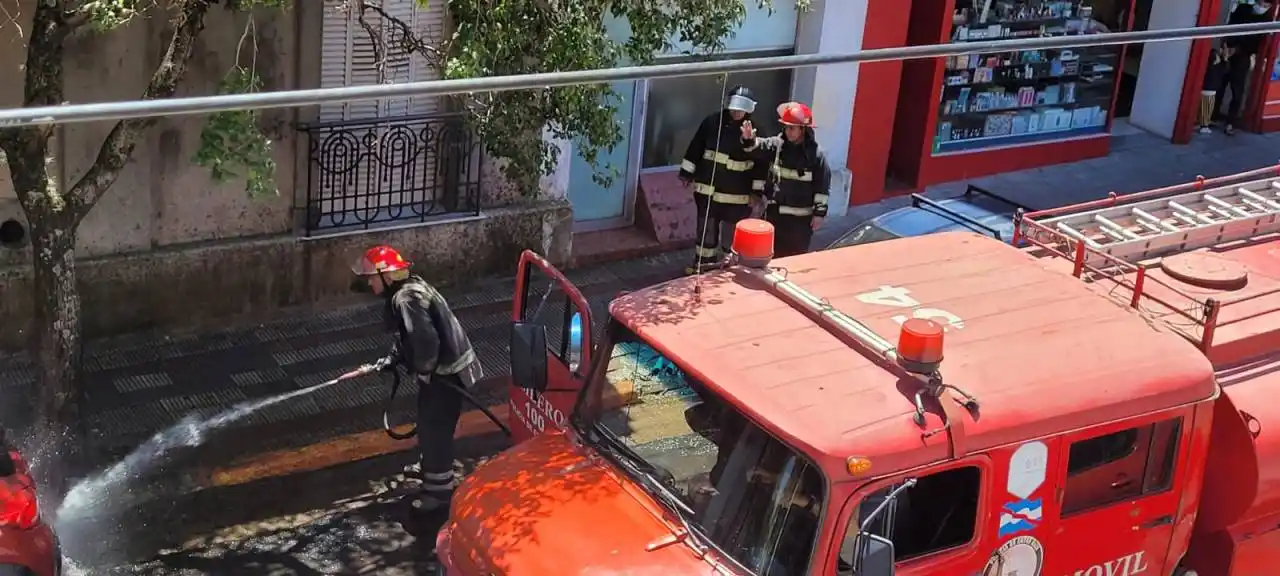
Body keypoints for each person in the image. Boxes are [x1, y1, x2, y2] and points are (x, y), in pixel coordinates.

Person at [349, 245, 482, 514]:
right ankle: (430, 469)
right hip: (441, 372)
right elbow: (408, 337)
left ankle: (439, 494)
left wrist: (423, 371)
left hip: (448, 375)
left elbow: (425, 341)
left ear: (386, 276)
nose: (369, 283)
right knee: (427, 422)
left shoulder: (406, 299)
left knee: (436, 431)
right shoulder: (407, 292)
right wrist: (390, 361)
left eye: (372, 277)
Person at [679, 85, 767, 275]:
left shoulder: (754, 132)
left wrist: (756, 193)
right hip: (707, 191)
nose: (736, 112)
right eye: (734, 107)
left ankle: (728, 271)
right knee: (705, 234)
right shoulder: (712, 123)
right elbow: (696, 147)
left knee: (731, 237)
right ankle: (702, 267)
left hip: (736, 196)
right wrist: (687, 173)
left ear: (749, 109)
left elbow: (761, 165)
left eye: (740, 108)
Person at [739, 101, 832, 258]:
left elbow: (822, 187)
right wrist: (749, 139)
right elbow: (759, 147)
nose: (788, 131)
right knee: (769, 257)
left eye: (792, 128)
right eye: (786, 127)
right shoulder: (777, 145)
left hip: (800, 222)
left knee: (794, 259)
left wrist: (819, 215)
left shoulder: (815, 155)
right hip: (774, 216)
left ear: (803, 129)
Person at [1218, 0, 1274, 135]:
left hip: (1243, 55)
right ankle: (1212, 115)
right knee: (1219, 84)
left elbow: (1256, 41)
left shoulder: (1266, 20)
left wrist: (1236, 50)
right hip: (1228, 48)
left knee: (1237, 91)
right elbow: (1230, 25)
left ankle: (1231, 122)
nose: (1262, 7)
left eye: (1266, 5)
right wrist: (1225, 44)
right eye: (1261, 3)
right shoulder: (1242, 9)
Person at [1201, 44, 1232, 134]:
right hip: (1208, 89)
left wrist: (1225, 57)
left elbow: (1225, 68)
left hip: (1212, 89)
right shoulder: (1213, 68)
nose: (1219, 57)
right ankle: (1204, 125)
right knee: (1206, 108)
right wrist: (1225, 58)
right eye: (1217, 56)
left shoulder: (1215, 67)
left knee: (1208, 107)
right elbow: (1225, 69)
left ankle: (1205, 122)